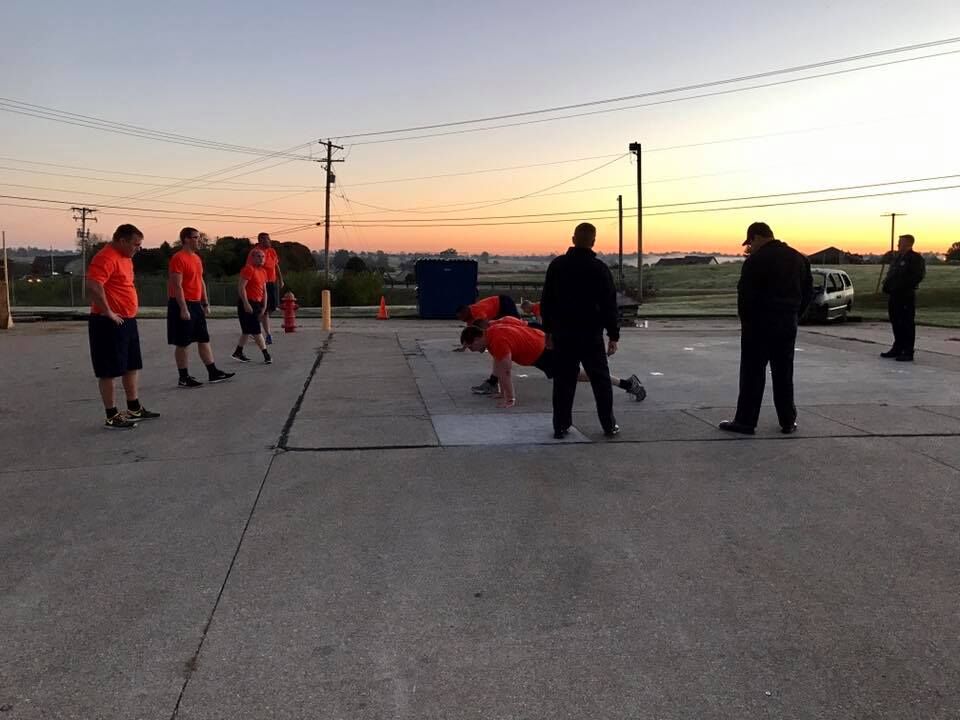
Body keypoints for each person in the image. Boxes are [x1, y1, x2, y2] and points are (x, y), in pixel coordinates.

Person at [719, 222, 813, 436]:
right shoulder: (799, 259)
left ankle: (746, 421)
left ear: (756, 237)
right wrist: (794, 316)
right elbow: (807, 293)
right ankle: (788, 421)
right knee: (783, 373)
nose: (750, 248)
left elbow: (745, 297)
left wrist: (747, 322)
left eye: (750, 243)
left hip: (759, 326)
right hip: (787, 325)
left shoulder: (756, 260)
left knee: (752, 374)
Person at [541, 222, 621, 439]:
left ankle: (561, 425)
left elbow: (547, 301)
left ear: (573, 239)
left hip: (563, 334)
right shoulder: (600, 269)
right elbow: (609, 305)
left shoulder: (557, 265)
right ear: (593, 242)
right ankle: (608, 425)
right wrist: (613, 335)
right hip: (591, 335)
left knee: (564, 382)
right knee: (601, 382)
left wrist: (548, 331)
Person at [460, 319, 645, 408]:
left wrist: (510, 399)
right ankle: (627, 383)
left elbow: (506, 371)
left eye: (470, 346)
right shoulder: (492, 333)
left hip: (546, 352)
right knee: (581, 374)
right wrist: (500, 391)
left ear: (477, 338)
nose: (471, 350)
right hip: (543, 347)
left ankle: (628, 384)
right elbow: (499, 366)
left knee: (583, 375)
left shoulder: (497, 341)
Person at [86, 224, 160, 429]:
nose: (138, 248)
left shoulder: (126, 258)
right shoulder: (106, 257)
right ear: (122, 241)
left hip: (127, 320)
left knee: (131, 365)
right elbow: (94, 285)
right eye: (135, 244)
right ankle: (112, 415)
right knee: (108, 370)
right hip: (107, 322)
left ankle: (134, 408)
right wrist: (108, 311)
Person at [167, 227, 235, 387]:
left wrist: (205, 302)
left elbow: (200, 280)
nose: (199, 240)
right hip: (181, 304)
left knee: (204, 339)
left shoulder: (196, 258)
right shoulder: (178, 258)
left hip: (196, 304)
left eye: (198, 237)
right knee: (183, 342)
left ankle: (213, 372)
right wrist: (183, 308)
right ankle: (183, 377)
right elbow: (176, 285)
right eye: (195, 237)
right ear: (186, 239)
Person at [456, 295, 522, 394]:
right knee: (498, 346)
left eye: (462, 318)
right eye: (460, 319)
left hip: (504, 303)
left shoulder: (478, 313)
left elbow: (484, 330)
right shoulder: (469, 317)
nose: (462, 320)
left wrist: (483, 344)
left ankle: (493, 383)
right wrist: (464, 347)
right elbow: (470, 334)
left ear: (466, 312)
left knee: (516, 327)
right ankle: (493, 382)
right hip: (498, 310)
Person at [881, 234, 925, 362]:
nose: (898, 245)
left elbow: (917, 276)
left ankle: (908, 350)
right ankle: (897, 347)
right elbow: (892, 274)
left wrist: (902, 286)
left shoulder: (915, 258)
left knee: (906, 323)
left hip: (906, 295)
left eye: (901, 243)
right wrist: (887, 286)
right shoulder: (897, 258)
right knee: (896, 322)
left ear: (908, 244)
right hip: (894, 295)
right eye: (899, 243)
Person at [232, 248, 272, 364]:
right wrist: (246, 303)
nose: (261, 259)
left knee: (246, 330)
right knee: (256, 330)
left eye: (263, 257)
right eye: (258, 256)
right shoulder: (249, 269)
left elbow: (264, 290)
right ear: (253, 258)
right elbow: (241, 287)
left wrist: (264, 306)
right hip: (248, 303)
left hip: (258, 303)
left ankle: (238, 352)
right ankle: (266, 354)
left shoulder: (263, 272)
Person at [247, 232, 283, 345]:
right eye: (265, 239)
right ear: (260, 241)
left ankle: (253, 327)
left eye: (269, 239)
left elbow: (276, 265)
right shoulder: (255, 252)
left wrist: (281, 279)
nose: (268, 241)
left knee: (271, 308)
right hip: (260, 283)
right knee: (264, 310)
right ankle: (267, 334)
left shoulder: (272, 251)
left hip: (271, 283)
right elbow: (249, 267)